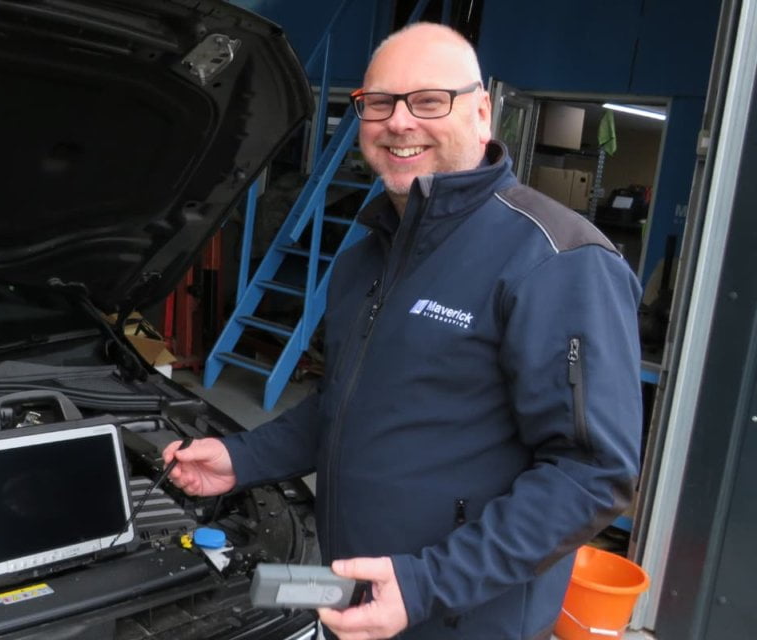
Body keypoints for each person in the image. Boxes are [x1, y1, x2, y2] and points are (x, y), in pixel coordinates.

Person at [164, 22, 642, 640]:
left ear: (481, 110)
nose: (399, 122)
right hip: (359, 592)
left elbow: (592, 472)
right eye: (380, 103)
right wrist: (241, 457)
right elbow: (350, 403)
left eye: (428, 101)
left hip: (461, 615)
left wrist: (427, 584)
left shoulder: (556, 260)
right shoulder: (368, 251)